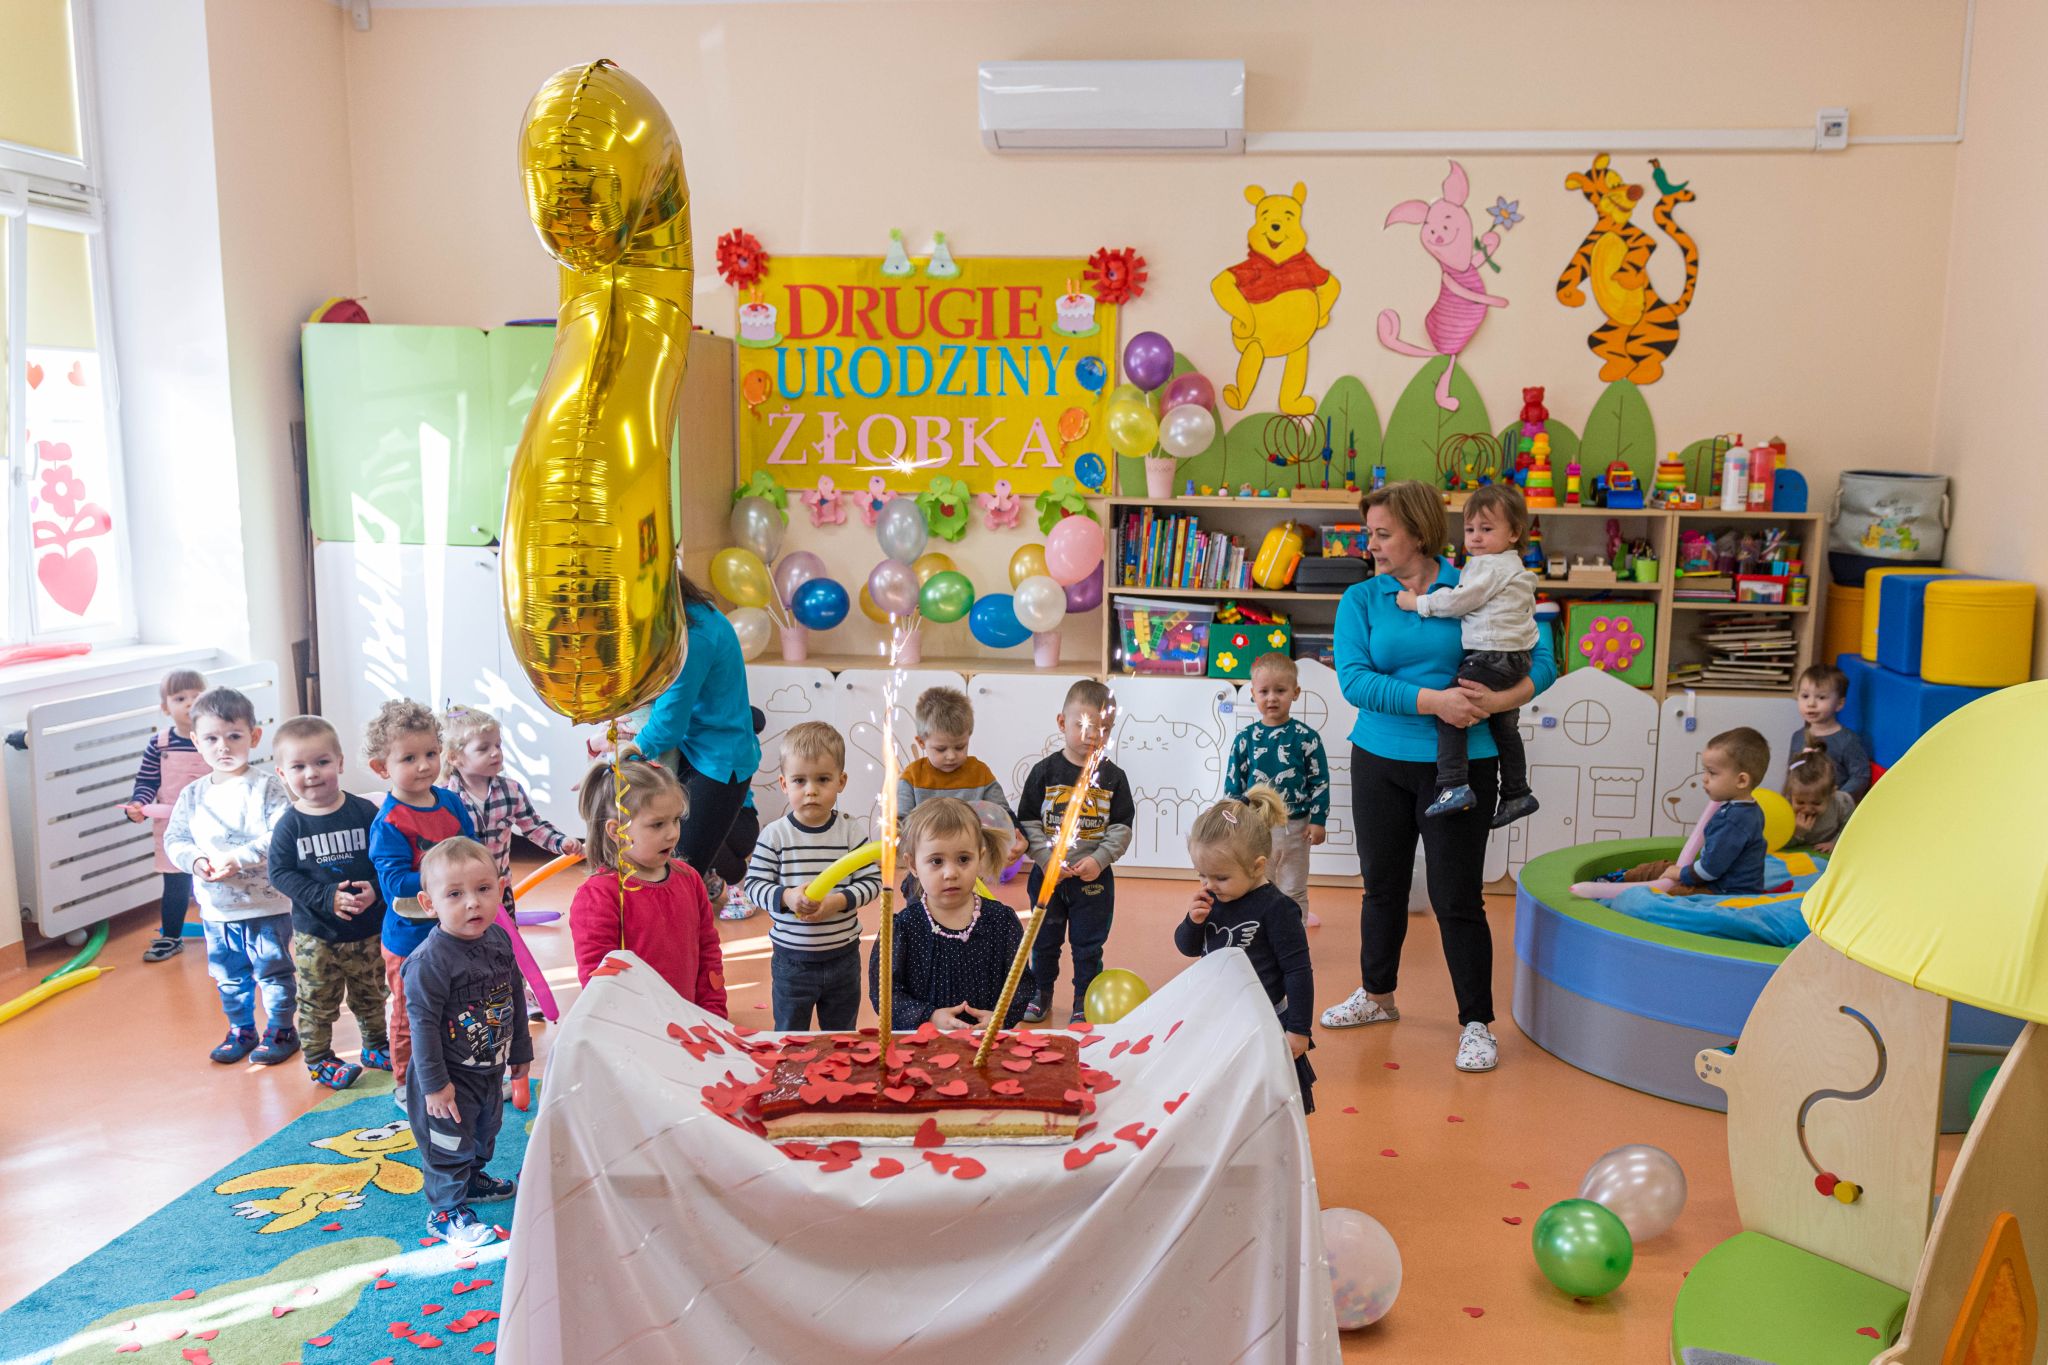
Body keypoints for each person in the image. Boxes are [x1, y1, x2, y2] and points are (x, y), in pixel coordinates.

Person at [1322, 480, 1556, 1073]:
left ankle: (1476, 1023)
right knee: (1382, 889)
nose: (1371, 545)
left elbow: (1543, 656)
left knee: (1458, 899)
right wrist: (1436, 702)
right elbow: (1354, 681)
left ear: (1419, 533)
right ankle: (1377, 996)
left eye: (1383, 534)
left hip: (1464, 765)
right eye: (1370, 533)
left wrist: (1503, 700)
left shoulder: (1479, 578)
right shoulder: (1362, 599)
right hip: (1379, 760)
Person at [401, 837, 531, 1251]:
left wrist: (521, 1051)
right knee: (447, 1144)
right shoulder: (428, 963)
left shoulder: (500, 940)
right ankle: (445, 1210)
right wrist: (435, 1086)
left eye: (483, 889)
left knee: (483, 1132)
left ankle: (471, 1180)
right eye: (455, 894)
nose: (473, 903)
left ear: (501, 889)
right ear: (429, 903)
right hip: (447, 1077)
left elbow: (514, 995)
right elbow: (422, 1028)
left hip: (489, 1068)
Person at [162, 687, 297, 1066]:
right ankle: (241, 1029)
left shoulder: (266, 786)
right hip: (217, 911)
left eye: (234, 736)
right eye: (211, 739)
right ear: (196, 742)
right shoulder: (192, 795)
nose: (223, 747)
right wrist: (195, 861)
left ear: (254, 736)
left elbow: (281, 836)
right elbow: (175, 838)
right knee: (229, 977)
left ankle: (281, 1030)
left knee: (273, 973)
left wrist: (238, 859)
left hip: (266, 908)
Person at [1394, 483, 1541, 826]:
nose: (1475, 538)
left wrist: (1417, 603)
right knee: (1505, 727)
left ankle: (1454, 785)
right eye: (1470, 529)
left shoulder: (1489, 566)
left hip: (1491, 656)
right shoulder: (1513, 567)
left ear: (1514, 533)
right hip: (1515, 658)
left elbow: (1460, 601)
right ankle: (1517, 792)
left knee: (1450, 708)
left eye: (1486, 529)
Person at [1174, 785, 1315, 1113]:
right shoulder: (1213, 898)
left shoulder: (1277, 909)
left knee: (1261, 1103)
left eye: (1220, 877)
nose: (1209, 885)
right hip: (1217, 1017)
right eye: (1202, 875)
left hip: (1262, 1023)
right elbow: (1188, 948)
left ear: (1257, 866)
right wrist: (1192, 922)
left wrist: (1298, 1029)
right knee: (1219, 1099)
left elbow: (1297, 971)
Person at [268, 715, 388, 1090]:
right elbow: (280, 873)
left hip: (367, 930)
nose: (312, 773)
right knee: (318, 1002)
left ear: (339, 762)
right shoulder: (290, 825)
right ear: (282, 774)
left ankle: (376, 1046)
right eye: (299, 766)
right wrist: (325, 897)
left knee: (372, 994)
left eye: (322, 762)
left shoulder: (365, 812)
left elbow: (387, 859)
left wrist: (376, 889)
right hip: (316, 936)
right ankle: (320, 1060)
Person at [365, 700, 477, 1096]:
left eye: (431, 753)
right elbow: (395, 883)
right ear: (382, 767)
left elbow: (471, 850)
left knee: (459, 1004)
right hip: (410, 938)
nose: (425, 765)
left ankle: (458, 1071)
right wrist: (449, 880)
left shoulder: (451, 802)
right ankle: (406, 1083)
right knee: (412, 1014)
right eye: (409, 758)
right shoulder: (390, 822)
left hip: (456, 930)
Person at [442, 704, 581, 1019]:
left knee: (506, 943)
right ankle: (466, 1000)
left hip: (498, 889)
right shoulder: (445, 797)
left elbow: (534, 826)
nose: (496, 753)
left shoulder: (510, 791)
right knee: (462, 944)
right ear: (455, 758)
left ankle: (517, 993)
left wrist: (562, 842)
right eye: (484, 748)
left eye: (498, 745)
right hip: (459, 893)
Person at [619, 575, 762, 879]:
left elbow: (668, 726)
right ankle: (721, 870)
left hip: (718, 760)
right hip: (696, 747)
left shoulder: (693, 635)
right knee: (685, 847)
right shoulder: (689, 614)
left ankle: (721, 874)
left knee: (681, 868)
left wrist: (628, 752)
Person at [742, 721, 878, 1030]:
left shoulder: (850, 831)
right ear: (784, 783)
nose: (811, 790)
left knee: (841, 1035)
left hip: (843, 957)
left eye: (823, 779)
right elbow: (754, 886)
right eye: (800, 780)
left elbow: (871, 883)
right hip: (792, 962)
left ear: (841, 781)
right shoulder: (775, 835)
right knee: (790, 1035)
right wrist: (788, 897)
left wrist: (837, 902)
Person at [1017, 679, 1135, 1025]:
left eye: (1104, 729)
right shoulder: (1044, 772)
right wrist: (1046, 860)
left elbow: (1121, 827)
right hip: (1048, 878)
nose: (1093, 735)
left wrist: (1099, 860)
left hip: (1093, 883)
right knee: (1043, 941)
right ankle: (1041, 992)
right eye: (1083, 725)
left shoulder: (1114, 777)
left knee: (1088, 946)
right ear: (1061, 722)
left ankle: (1084, 998)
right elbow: (1027, 821)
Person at [569, 756, 727, 1015]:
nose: (672, 833)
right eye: (657, 824)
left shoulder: (689, 878)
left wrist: (713, 1012)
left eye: (676, 820)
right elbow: (598, 982)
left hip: (690, 1023)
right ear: (616, 831)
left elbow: (708, 952)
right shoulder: (598, 896)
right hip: (633, 1029)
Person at [868, 797, 1030, 1031]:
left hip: (985, 1042)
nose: (951, 873)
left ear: (980, 857)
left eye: (963, 859)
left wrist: (1001, 1016)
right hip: (924, 1043)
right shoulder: (903, 928)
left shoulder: (1001, 921)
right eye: (936, 861)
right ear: (913, 865)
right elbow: (885, 995)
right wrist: (929, 1016)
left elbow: (1020, 984)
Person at [1223, 652, 1329, 922]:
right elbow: (1234, 783)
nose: (1272, 698)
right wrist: (1233, 820)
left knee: (1294, 886)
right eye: (1264, 691)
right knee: (1259, 884)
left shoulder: (1307, 738)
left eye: (1280, 691)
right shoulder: (1245, 739)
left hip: (1297, 828)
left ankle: (1294, 934)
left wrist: (1318, 820)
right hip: (1257, 826)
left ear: (1295, 692)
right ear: (1253, 694)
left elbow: (1319, 781)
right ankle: (1261, 932)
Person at [123, 667, 208, 962]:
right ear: (165, 708)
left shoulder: (214, 740)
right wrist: (138, 805)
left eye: (197, 697)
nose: (190, 703)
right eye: (180, 698)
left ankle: (228, 933)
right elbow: (147, 782)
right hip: (174, 827)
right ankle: (171, 937)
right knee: (176, 883)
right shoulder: (160, 745)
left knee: (218, 880)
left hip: (214, 825)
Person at [1647, 728, 1771, 895]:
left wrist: (1680, 873)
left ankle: (1624, 889)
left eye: (1712, 773)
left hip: (1726, 890)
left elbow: (1710, 870)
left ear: (1741, 780)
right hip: (1718, 881)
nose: (1704, 778)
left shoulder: (1733, 820)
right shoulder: (1748, 809)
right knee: (1662, 867)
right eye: (1705, 771)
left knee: (1669, 894)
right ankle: (1620, 878)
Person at [1791, 663, 1872, 800]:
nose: (1811, 704)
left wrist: (1839, 798)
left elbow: (1860, 775)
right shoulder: (1798, 736)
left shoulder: (1847, 740)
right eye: (1805, 696)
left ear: (1839, 704)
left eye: (1821, 697)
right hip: (1802, 804)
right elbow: (1792, 771)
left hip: (1833, 806)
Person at [1784, 746, 1855, 853]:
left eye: (1816, 803)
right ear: (1790, 794)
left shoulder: (1842, 802)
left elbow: (1851, 828)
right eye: (1800, 802)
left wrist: (1836, 843)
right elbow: (1781, 843)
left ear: (1832, 794)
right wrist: (1798, 833)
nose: (1807, 809)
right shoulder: (1785, 808)